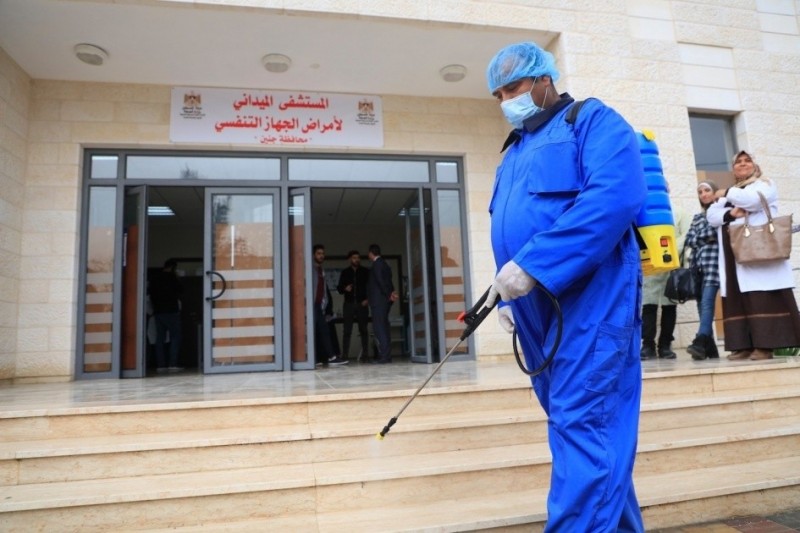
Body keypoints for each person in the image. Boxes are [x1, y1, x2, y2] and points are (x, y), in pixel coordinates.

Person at [485, 42, 646, 532]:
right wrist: (506, 294)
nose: (506, 100)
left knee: (584, 425)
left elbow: (614, 197)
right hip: (533, 312)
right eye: (498, 94)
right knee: (585, 432)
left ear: (544, 79)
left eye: (513, 87)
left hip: (592, 302)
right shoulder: (513, 152)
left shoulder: (591, 121)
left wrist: (535, 264)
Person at [706, 150, 800, 360]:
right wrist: (731, 213)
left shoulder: (764, 184)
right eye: (738, 162)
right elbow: (711, 216)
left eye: (747, 161)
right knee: (738, 297)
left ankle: (765, 347)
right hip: (732, 255)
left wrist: (726, 192)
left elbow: (753, 201)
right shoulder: (732, 192)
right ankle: (744, 345)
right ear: (733, 169)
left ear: (755, 165)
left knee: (761, 296)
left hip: (759, 250)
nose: (742, 164)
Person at [640, 202, 689, 360]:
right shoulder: (644, 210)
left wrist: (670, 250)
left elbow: (686, 234)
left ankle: (665, 345)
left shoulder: (679, 211)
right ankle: (648, 345)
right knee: (648, 305)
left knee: (669, 305)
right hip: (651, 264)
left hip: (671, 264)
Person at [684, 181, 721, 360]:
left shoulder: (720, 212)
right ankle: (710, 349)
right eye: (700, 192)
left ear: (715, 192)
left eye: (707, 190)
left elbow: (714, 233)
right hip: (697, 266)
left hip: (714, 265)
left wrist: (700, 238)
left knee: (706, 302)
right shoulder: (698, 217)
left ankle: (700, 341)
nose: (704, 194)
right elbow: (689, 240)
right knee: (700, 304)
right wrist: (704, 238)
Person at [312, 244, 348, 367]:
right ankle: (315, 358)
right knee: (315, 331)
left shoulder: (321, 270)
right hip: (311, 305)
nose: (321, 256)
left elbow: (323, 290)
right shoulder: (310, 269)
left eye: (322, 253)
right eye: (318, 253)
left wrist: (324, 305)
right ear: (313, 255)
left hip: (319, 306)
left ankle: (329, 357)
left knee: (324, 330)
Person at [148, 259, 184, 372]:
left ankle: (161, 365)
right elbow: (181, 290)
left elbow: (150, 294)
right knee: (175, 337)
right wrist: (177, 277)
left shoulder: (155, 278)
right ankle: (173, 364)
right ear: (173, 267)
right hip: (171, 311)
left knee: (160, 338)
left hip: (158, 312)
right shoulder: (172, 278)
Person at [337, 250, 370, 362]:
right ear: (350, 259)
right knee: (347, 331)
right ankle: (345, 355)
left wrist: (368, 299)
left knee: (363, 330)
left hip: (362, 303)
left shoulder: (365, 271)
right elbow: (339, 289)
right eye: (354, 258)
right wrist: (345, 288)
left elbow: (371, 287)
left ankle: (365, 355)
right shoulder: (345, 272)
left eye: (358, 258)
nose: (357, 260)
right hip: (349, 304)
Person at [367, 244, 397, 364]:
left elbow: (380, 281)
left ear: (371, 253)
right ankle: (386, 355)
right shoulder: (385, 264)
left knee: (379, 328)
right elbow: (389, 281)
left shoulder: (377, 264)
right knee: (384, 327)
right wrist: (391, 294)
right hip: (384, 302)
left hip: (379, 301)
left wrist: (388, 294)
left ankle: (384, 356)